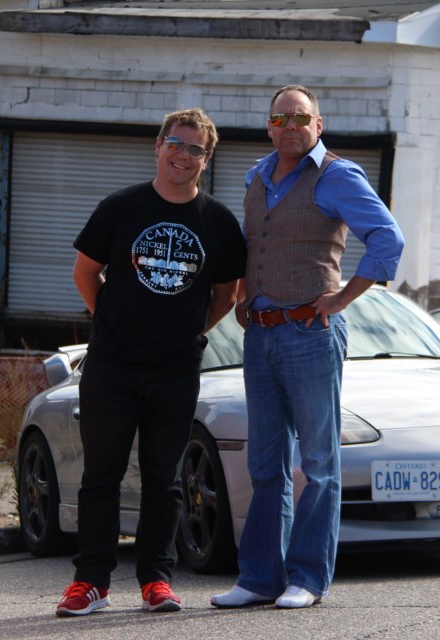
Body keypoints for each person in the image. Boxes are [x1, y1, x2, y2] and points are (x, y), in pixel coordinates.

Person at [211, 85, 405, 609]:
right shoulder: (256, 175)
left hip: (310, 334)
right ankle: (258, 578)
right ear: (269, 125)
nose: (290, 125)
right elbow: (253, 243)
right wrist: (246, 293)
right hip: (261, 334)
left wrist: (343, 297)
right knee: (265, 463)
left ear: (318, 125)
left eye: (301, 116)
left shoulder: (338, 175)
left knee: (318, 462)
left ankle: (308, 578)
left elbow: (388, 238)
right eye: (281, 117)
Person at [56, 108, 247, 616]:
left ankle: (155, 582)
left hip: (176, 370)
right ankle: (90, 583)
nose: (183, 155)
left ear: (207, 159)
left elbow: (226, 295)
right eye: (176, 144)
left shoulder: (218, 222)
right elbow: (85, 273)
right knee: (102, 474)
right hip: (112, 367)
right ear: (158, 146)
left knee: (165, 480)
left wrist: (185, 333)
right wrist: (115, 322)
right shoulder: (121, 208)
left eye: (196, 149)